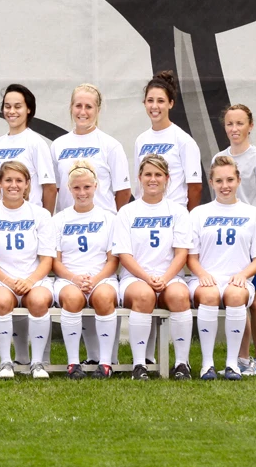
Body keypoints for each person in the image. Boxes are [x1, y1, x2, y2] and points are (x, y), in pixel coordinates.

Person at [187, 156, 256, 380]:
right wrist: (202, 274)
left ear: (238, 180)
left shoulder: (254, 215)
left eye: (229, 180)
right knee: (209, 295)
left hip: (238, 279)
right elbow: (191, 256)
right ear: (211, 182)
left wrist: (243, 275)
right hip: (205, 278)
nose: (225, 186)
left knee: (236, 296)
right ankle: (207, 364)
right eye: (219, 181)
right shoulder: (198, 214)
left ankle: (233, 364)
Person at [211, 104, 256, 376]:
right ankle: (242, 358)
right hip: (227, 241)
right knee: (236, 299)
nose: (234, 129)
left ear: (250, 125)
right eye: (230, 124)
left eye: (240, 124)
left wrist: (249, 220)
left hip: (252, 239)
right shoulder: (219, 157)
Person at [112, 154, 193, 380]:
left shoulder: (178, 211)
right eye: (148, 174)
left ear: (167, 178)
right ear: (140, 177)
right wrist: (148, 278)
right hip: (135, 278)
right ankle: (140, 365)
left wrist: (165, 279)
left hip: (169, 277)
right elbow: (124, 255)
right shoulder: (127, 212)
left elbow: (182, 253)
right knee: (144, 296)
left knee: (180, 296)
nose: (153, 179)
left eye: (158, 174)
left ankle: (181, 364)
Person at [0, 161, 57, 379]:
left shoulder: (40, 215)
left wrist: (29, 281)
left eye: (19, 180)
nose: (13, 185)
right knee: (1, 301)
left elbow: (47, 259)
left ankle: (37, 363)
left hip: (33, 277)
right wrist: (9, 281)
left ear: (28, 184)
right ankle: (5, 362)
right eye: (8, 180)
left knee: (39, 301)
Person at [51, 161, 119, 379]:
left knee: (105, 298)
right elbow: (55, 261)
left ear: (96, 186)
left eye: (87, 187)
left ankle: (106, 363)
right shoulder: (59, 219)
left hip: (101, 276)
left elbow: (112, 261)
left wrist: (95, 279)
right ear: (69, 189)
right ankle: (73, 363)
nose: (82, 193)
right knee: (71, 299)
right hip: (69, 278)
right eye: (77, 188)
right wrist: (75, 278)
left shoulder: (109, 218)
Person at [51, 84, 130, 213]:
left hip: (102, 227)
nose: (82, 112)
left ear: (97, 110)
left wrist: (108, 219)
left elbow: (124, 191)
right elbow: (57, 188)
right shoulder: (58, 145)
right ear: (71, 107)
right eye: (78, 106)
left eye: (88, 107)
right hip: (67, 226)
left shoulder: (111, 145)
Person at [133, 71, 202, 211]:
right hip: (146, 216)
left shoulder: (184, 140)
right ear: (144, 103)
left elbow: (195, 187)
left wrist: (185, 217)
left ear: (170, 103)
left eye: (161, 101)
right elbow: (138, 184)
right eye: (150, 100)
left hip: (174, 215)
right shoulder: (141, 141)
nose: (154, 106)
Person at [0, 84, 56, 212]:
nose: (12, 111)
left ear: (28, 109)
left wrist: (46, 222)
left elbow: (50, 188)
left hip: (29, 219)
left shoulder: (36, 143)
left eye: (18, 106)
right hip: (2, 219)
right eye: (7, 106)